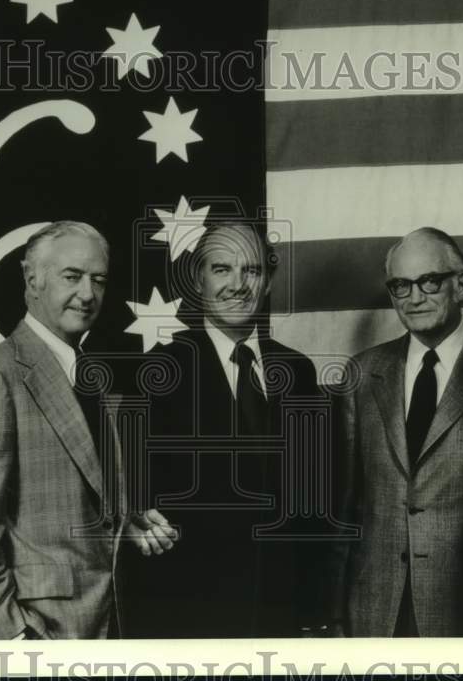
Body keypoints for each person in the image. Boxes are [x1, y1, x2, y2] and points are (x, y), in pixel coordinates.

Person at [0, 221, 175, 640]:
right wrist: (14, 636)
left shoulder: (87, 375)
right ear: (33, 280)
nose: (88, 293)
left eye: (98, 280)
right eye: (72, 276)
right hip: (37, 639)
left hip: (103, 628)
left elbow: (71, 496)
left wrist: (125, 521)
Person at [122, 220, 324, 638]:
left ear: (268, 282)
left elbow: (314, 508)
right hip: (189, 621)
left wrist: (313, 613)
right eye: (221, 269)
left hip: (280, 619)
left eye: (251, 270)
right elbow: (130, 496)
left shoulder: (299, 372)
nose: (238, 285)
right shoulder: (156, 373)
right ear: (198, 281)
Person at [329, 227, 463, 636]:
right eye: (401, 285)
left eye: (430, 281)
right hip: (373, 609)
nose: (414, 297)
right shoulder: (362, 373)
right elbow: (345, 506)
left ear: (461, 284)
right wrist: (335, 613)